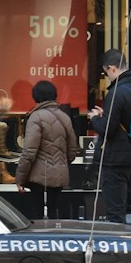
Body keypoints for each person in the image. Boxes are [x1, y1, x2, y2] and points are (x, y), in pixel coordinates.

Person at [87, 49, 131, 224]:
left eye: (106, 72)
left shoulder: (116, 92)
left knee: (115, 211)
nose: (107, 76)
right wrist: (105, 115)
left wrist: (95, 119)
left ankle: (118, 250)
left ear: (113, 68)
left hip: (115, 161)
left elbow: (107, 130)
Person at [14, 80, 78, 219]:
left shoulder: (36, 117)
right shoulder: (65, 117)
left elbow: (29, 152)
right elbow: (73, 150)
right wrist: (61, 164)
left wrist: (20, 178)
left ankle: (39, 239)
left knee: (37, 214)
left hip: (39, 177)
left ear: (36, 96)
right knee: (54, 211)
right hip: (60, 176)